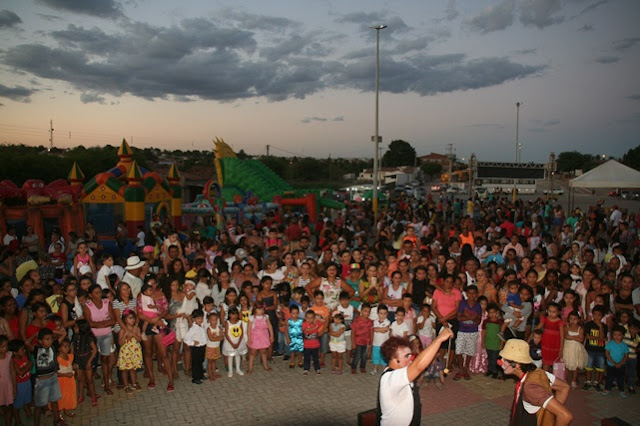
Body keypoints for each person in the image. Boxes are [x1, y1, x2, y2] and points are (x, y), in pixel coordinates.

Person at [377, 327, 453, 426]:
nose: (411, 359)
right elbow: (418, 366)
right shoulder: (391, 378)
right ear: (395, 360)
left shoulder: (401, 372)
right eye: (406, 356)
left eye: (411, 355)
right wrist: (439, 339)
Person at [499, 339, 573, 426]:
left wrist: (556, 413)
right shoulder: (538, 372)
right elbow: (564, 387)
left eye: (505, 360)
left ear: (517, 365)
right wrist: (551, 413)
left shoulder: (530, 387)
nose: (501, 363)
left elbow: (565, 416)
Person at [33, 329, 64, 426]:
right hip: (42, 381)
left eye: (51, 339)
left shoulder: (53, 346)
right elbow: (26, 343)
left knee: (54, 400)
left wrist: (52, 331)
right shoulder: (36, 350)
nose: (50, 341)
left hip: (53, 378)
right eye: (47, 339)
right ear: (40, 341)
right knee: (39, 405)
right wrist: (35, 334)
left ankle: (57, 420)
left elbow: (64, 334)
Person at [117, 309, 143, 393]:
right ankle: (125, 385)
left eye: (133, 318)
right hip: (126, 353)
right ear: (125, 320)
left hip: (134, 352)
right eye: (130, 318)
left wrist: (133, 334)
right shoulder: (122, 330)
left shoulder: (136, 328)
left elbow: (139, 339)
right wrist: (126, 334)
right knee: (125, 370)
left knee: (133, 369)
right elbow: (120, 343)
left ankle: (134, 383)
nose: (132, 320)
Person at [247, 304, 274, 373]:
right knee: (253, 353)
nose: (261, 311)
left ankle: (265, 366)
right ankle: (250, 368)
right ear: (255, 310)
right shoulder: (251, 318)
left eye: (262, 309)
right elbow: (249, 329)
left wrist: (272, 335)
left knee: (263, 351)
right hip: (255, 336)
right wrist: (249, 338)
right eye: (259, 309)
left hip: (263, 336)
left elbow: (270, 326)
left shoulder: (266, 317)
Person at [603, 326, 630, 397]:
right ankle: (607, 389)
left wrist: (620, 363)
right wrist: (613, 363)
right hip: (611, 364)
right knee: (609, 377)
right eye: (614, 334)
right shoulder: (610, 344)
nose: (616, 337)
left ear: (623, 336)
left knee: (621, 378)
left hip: (621, 365)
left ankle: (621, 390)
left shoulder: (624, 345)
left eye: (619, 335)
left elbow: (626, 356)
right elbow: (607, 354)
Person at [183, 309, 206, 385]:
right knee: (196, 363)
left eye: (201, 318)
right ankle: (195, 378)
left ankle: (201, 375)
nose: (200, 320)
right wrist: (192, 343)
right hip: (196, 348)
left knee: (200, 361)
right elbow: (186, 338)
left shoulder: (202, 326)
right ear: (194, 319)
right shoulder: (193, 329)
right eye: (198, 318)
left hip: (202, 346)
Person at [56, 338, 76, 420]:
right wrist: (65, 374)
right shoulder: (58, 359)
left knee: (68, 396)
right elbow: (56, 373)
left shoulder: (69, 356)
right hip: (62, 382)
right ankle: (59, 413)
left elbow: (69, 366)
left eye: (68, 346)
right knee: (61, 397)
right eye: (65, 346)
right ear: (59, 348)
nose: (67, 348)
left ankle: (66, 410)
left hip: (69, 381)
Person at [0, 335, 12, 426]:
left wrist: (14, 386)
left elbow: (12, 371)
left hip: (7, 384)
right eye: (3, 346)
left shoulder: (9, 355)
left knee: (9, 406)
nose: (6, 348)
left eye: (7, 346)